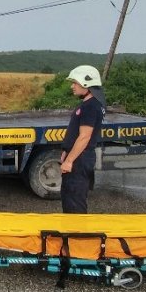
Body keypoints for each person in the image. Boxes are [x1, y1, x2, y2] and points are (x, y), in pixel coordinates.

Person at [59, 65, 106, 214]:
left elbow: (84, 137)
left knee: (75, 203)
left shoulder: (91, 106)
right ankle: (70, 234)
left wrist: (69, 161)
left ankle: (77, 236)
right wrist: (66, 152)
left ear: (86, 83)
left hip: (80, 159)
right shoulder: (89, 104)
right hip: (78, 157)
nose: (72, 86)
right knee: (69, 198)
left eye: (75, 82)